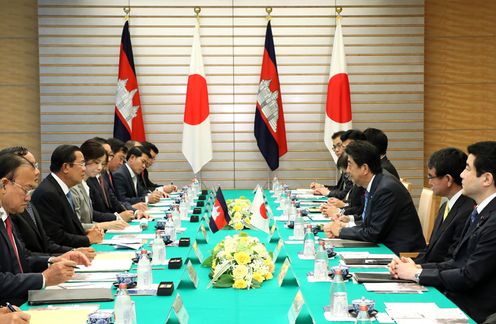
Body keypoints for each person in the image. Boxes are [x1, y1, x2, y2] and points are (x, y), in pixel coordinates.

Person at [389, 141, 496, 323]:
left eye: (468, 169)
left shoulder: (492, 220)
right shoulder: (480, 212)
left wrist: (416, 274)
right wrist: (418, 268)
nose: (461, 175)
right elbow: (456, 261)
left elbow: (468, 275)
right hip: (457, 297)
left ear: (486, 179)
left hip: (474, 311)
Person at [0, 153, 90, 306]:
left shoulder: (6, 215)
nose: (28, 198)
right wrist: (44, 278)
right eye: (26, 189)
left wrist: (53, 261)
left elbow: (23, 259)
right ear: (4, 185)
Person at [324, 140, 425, 254]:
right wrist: (345, 227)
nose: (347, 170)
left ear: (365, 169)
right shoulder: (377, 183)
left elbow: (373, 233)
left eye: (350, 164)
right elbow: (369, 225)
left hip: (400, 253)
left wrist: (341, 231)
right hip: (384, 245)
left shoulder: (386, 189)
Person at [0, 147, 95, 259]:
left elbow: (44, 243)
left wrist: (70, 253)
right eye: (30, 165)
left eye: (35, 165)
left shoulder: (24, 202)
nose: (37, 171)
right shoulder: (14, 207)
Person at [31, 145, 104, 248]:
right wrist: (87, 239)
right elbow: (55, 236)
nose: (84, 169)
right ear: (66, 167)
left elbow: (68, 227)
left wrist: (86, 232)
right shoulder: (48, 193)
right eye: (82, 164)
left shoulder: (62, 189)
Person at [415, 148, 474, 264]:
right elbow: (431, 250)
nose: (429, 182)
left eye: (431, 177)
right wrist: (411, 264)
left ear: (448, 179)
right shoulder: (445, 206)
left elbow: (452, 260)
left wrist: (418, 270)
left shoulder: (467, 211)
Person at [70, 139, 129, 230]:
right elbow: (77, 225)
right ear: (85, 160)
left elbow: (89, 219)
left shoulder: (86, 183)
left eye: (102, 164)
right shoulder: (73, 186)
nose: (100, 168)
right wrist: (107, 225)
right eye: (97, 163)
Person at [104, 138, 147, 212]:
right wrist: (131, 208)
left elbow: (142, 191)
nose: (121, 163)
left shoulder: (109, 174)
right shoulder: (118, 174)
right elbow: (120, 200)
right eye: (120, 158)